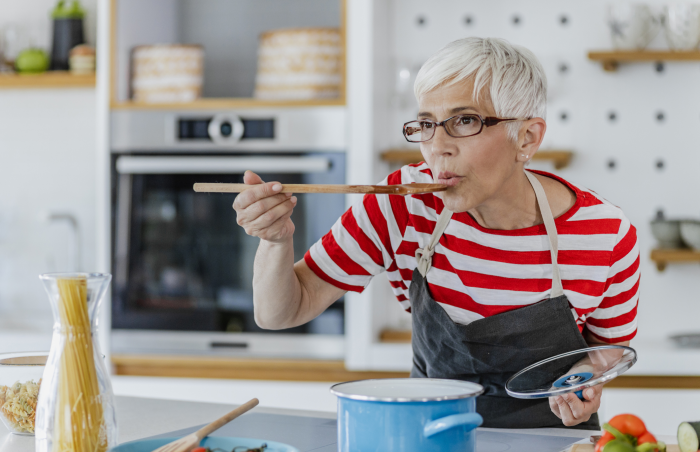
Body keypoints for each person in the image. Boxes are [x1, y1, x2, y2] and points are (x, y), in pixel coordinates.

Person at [232, 37, 639, 429]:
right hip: (427, 437)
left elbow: (606, 351)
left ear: (527, 137)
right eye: (426, 123)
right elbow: (280, 313)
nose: (437, 147)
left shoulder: (605, 234)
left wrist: (583, 381)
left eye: (465, 121)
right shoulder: (401, 206)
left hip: (551, 447)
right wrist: (275, 239)